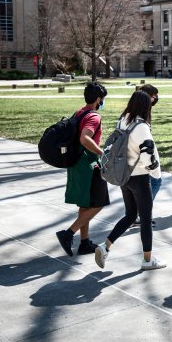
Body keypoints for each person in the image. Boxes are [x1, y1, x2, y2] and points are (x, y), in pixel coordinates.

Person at [94, 91, 166, 270]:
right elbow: (148, 154)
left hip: (124, 176)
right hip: (140, 177)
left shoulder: (123, 120)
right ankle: (148, 260)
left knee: (130, 215)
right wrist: (155, 173)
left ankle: (105, 247)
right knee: (146, 220)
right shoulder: (141, 126)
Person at [56, 82, 109, 256]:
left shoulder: (79, 112)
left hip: (75, 163)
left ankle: (84, 242)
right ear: (99, 99)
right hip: (89, 165)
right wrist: (102, 153)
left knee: (85, 205)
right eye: (103, 99)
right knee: (99, 203)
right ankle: (68, 233)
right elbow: (85, 138)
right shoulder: (93, 116)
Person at [131, 84, 162, 227]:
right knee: (156, 181)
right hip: (141, 162)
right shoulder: (140, 118)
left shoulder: (135, 111)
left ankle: (136, 214)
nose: (155, 99)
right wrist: (151, 164)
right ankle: (141, 215)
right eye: (153, 96)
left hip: (135, 161)